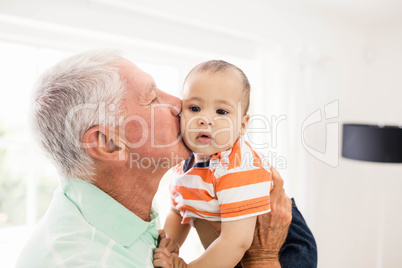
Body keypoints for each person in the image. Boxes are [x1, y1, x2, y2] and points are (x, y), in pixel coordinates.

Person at [15, 50, 315, 268]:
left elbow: (230, 238)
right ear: (109, 143)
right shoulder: (85, 259)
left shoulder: (130, 220)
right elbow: (183, 211)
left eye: (221, 111)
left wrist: (169, 246)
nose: (179, 105)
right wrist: (262, 259)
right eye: (154, 97)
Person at [153, 60, 317, 268]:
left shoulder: (237, 165)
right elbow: (179, 211)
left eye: (221, 112)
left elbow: (236, 242)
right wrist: (169, 243)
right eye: (194, 108)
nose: (205, 119)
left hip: (287, 247)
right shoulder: (183, 166)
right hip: (231, 245)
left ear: (242, 125)